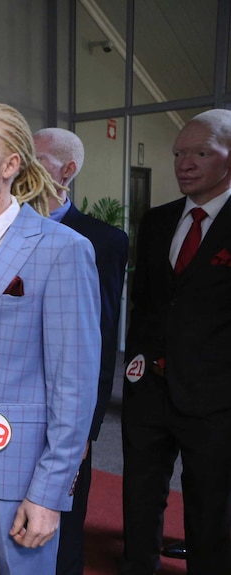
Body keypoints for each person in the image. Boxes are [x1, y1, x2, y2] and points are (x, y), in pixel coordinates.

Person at [0, 103, 100, 574]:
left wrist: (49, 494)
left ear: (10, 165)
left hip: (18, 472)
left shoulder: (62, 250)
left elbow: (74, 384)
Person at [119, 109, 231, 574]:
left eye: (200, 152)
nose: (184, 163)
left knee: (211, 507)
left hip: (216, 399)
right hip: (149, 390)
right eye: (179, 153)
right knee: (140, 495)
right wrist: (136, 368)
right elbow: (146, 303)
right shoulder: (158, 221)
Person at [32, 127, 129, 575]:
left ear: (67, 170)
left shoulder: (101, 241)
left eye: (36, 158)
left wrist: (86, 430)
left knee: (62, 526)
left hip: (64, 411)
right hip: (4, 411)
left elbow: (102, 337)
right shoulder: (0, 231)